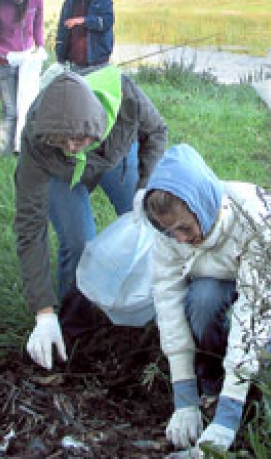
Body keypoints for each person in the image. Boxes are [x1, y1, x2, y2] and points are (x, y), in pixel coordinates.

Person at [144, 144, 271, 454]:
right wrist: (185, 397)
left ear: (201, 207)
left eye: (185, 229)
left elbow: (253, 313)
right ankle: (212, 386)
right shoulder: (169, 235)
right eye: (170, 231)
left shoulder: (258, 222)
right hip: (216, 265)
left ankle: (263, 405)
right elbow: (167, 303)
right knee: (201, 303)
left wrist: (228, 419)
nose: (179, 239)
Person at [17, 65, 167, 370]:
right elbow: (30, 229)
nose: (72, 148)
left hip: (117, 156)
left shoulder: (127, 98)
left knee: (149, 223)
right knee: (78, 240)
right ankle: (74, 330)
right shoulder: (38, 138)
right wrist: (43, 313)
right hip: (60, 174)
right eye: (64, 141)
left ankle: (153, 313)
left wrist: (145, 186)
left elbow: (157, 132)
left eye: (79, 139)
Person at [0, 0, 45, 156]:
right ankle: (4, 153)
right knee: (10, 110)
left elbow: (37, 26)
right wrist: (7, 55)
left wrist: (40, 46)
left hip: (28, 63)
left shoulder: (36, 1)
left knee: (27, 107)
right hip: (5, 64)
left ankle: (24, 150)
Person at [55, 0, 114, 71]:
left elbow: (108, 22)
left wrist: (84, 20)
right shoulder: (70, 1)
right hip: (75, 63)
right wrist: (60, 54)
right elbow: (62, 29)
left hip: (98, 61)